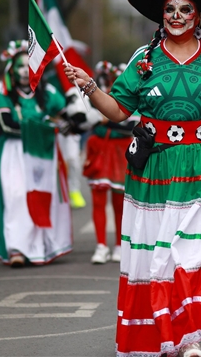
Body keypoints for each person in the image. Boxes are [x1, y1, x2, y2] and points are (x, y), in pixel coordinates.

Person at [65, 0, 201, 357]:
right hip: (155, 166)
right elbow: (119, 111)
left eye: (185, 9)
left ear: (198, 17)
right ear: (161, 16)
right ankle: (168, 333)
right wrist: (89, 87)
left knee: (195, 252)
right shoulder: (143, 59)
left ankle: (190, 338)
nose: (176, 16)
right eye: (169, 9)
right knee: (161, 255)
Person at [0, 41, 72, 267]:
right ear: (11, 69)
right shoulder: (4, 94)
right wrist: (45, 127)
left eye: (27, 66)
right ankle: (17, 248)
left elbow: (66, 116)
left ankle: (42, 246)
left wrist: (74, 118)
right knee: (17, 197)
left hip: (43, 153)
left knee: (44, 196)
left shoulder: (47, 92)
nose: (23, 71)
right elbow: (7, 125)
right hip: (15, 152)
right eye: (19, 66)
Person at [82, 61, 135, 264]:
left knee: (120, 199)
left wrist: (107, 119)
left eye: (111, 78)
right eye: (104, 78)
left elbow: (129, 123)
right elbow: (85, 120)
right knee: (97, 197)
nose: (107, 82)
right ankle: (101, 245)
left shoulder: (127, 93)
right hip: (99, 148)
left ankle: (120, 245)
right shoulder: (92, 95)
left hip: (121, 149)